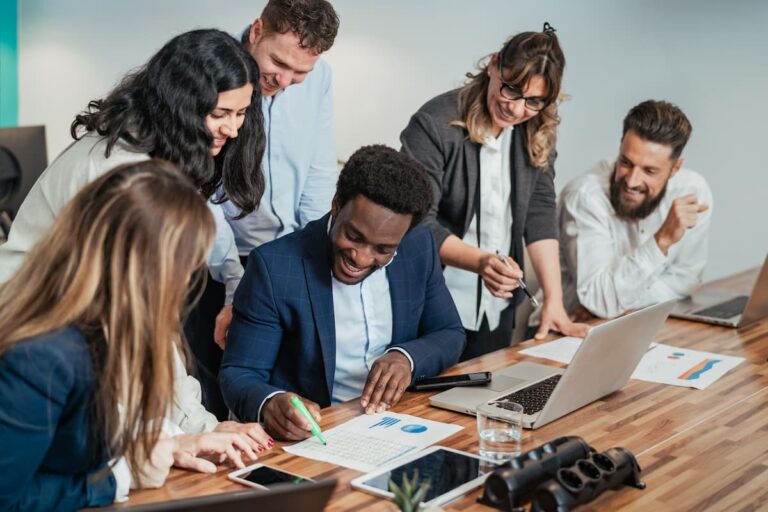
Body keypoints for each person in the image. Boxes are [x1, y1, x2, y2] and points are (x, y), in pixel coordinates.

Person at [0, 30, 269, 439]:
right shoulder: (118, 172)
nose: (233, 129)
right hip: (32, 333)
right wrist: (188, 433)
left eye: (241, 113)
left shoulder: (163, 155)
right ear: (183, 105)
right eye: (220, 113)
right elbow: (132, 330)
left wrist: (201, 425)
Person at [0, 162, 270, 511]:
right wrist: (119, 478)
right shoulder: (42, 354)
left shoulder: (103, 329)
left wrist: (176, 443)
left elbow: (91, 434)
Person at [220, 145, 465, 440]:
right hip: (318, 435)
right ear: (336, 205)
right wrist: (270, 403)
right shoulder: (275, 267)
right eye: (353, 236)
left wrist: (405, 358)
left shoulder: (419, 247)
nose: (361, 258)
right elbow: (239, 373)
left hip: (400, 424)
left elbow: (450, 332)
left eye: (383, 249)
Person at [187, 0, 340, 419]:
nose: (286, 80)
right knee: (213, 396)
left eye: (300, 72)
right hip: (216, 265)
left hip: (283, 259)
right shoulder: (214, 73)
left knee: (279, 400)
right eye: (278, 63)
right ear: (257, 31)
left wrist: (311, 253)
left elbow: (319, 168)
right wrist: (238, 284)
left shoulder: (319, 78)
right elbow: (201, 190)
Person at [400, 23, 587, 361]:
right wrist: (482, 262)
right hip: (431, 302)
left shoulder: (537, 128)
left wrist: (554, 301)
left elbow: (539, 211)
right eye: (511, 89)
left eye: (533, 101)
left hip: (494, 306)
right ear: (494, 64)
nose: (516, 109)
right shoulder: (434, 124)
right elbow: (415, 221)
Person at [557, 100, 712, 318]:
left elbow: (686, 281)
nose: (632, 181)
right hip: (566, 333)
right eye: (626, 163)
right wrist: (662, 242)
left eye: (649, 171)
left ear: (675, 168)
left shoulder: (692, 191)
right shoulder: (585, 197)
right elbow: (599, 299)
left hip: (637, 324)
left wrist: (620, 304)